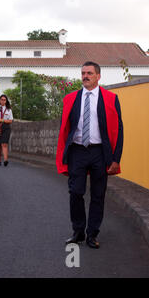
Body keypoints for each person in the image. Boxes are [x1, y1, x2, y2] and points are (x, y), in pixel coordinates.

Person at [57, 61, 123, 249]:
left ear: (98, 76)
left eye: (89, 73)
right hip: (77, 150)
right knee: (75, 192)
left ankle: (92, 234)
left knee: (98, 195)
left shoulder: (110, 98)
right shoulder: (71, 98)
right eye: (83, 73)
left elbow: (119, 129)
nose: (85, 76)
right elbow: (65, 127)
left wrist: (116, 159)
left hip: (100, 152)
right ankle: (78, 231)